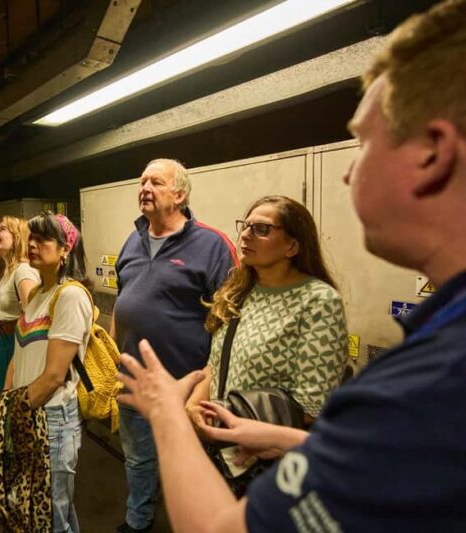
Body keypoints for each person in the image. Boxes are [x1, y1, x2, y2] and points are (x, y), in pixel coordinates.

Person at [116, 1, 466, 530]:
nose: (348, 174)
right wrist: (291, 440)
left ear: (432, 154)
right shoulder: (441, 343)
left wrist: (165, 409)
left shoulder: (435, 379)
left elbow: (222, 528)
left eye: (364, 142)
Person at [187, 196, 348, 493]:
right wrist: (194, 405)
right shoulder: (238, 290)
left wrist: (233, 423)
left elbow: (313, 406)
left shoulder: (318, 301)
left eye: (261, 229)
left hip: (268, 462)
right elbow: (217, 364)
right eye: (245, 226)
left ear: (293, 246)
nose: (246, 235)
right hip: (221, 448)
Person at [112, 158, 237, 532]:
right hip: (139, 383)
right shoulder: (132, 240)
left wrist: (206, 385)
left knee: (193, 464)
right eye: (142, 181)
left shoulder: (211, 245)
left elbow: (228, 321)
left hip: (188, 386)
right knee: (138, 460)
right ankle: (139, 520)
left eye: (156, 182)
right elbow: (124, 300)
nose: (145, 188)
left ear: (180, 194)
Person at [6, 212, 93, 533]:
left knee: (49, 515)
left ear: (65, 249)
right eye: (30, 238)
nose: (32, 244)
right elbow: (20, 356)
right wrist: (7, 401)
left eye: (42, 239)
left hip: (53, 419)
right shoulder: (38, 295)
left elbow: (55, 375)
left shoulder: (69, 295)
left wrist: (18, 411)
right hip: (30, 409)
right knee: (54, 509)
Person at [0, 215, 40, 393]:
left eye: (3, 229)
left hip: (17, 344)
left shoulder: (23, 272)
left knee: (11, 395)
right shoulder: (8, 269)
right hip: (4, 341)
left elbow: (34, 321)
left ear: (18, 237)